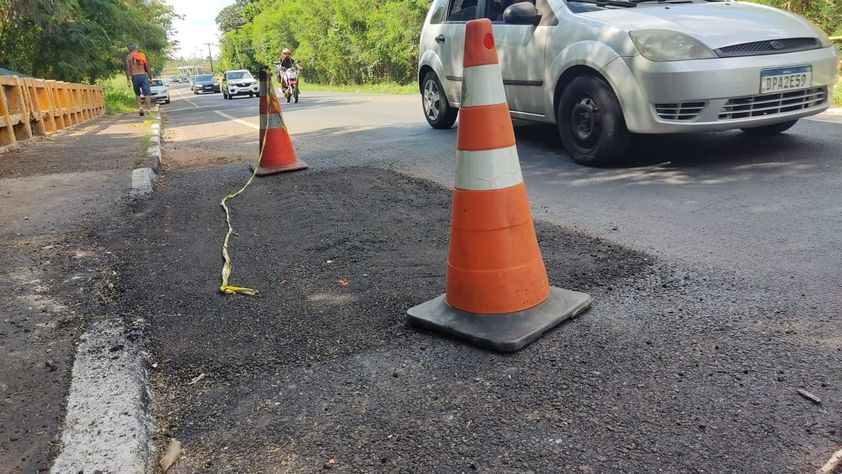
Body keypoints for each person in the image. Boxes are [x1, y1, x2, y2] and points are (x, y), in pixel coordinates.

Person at [125, 44, 153, 116]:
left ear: (130, 50)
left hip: (134, 76)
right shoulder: (142, 55)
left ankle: (140, 107)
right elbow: (147, 67)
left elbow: (127, 69)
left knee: (137, 94)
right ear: (136, 48)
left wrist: (128, 80)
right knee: (147, 94)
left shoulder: (128, 57)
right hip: (143, 75)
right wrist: (150, 78)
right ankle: (148, 110)